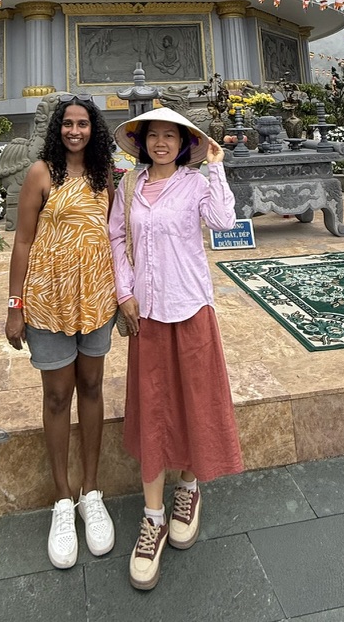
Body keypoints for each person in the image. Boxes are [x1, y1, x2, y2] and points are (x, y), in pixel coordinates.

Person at [109, 107, 243, 591]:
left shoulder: (195, 184)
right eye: (153, 136)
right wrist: (125, 293)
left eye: (171, 136)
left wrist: (216, 165)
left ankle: (189, 487)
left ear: (184, 143)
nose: (161, 143)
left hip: (190, 307)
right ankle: (152, 515)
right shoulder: (128, 187)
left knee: (193, 399)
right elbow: (117, 238)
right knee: (152, 406)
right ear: (141, 142)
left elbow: (225, 222)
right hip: (146, 313)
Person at [5, 95, 117, 569]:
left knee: (91, 386)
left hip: (95, 298)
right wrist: (15, 306)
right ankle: (62, 499)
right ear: (58, 128)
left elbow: (113, 235)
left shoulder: (105, 175)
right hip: (48, 300)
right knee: (57, 396)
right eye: (68, 124)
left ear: (95, 130)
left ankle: (92, 491)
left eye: (83, 124)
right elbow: (23, 240)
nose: (75, 131)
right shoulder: (40, 174)